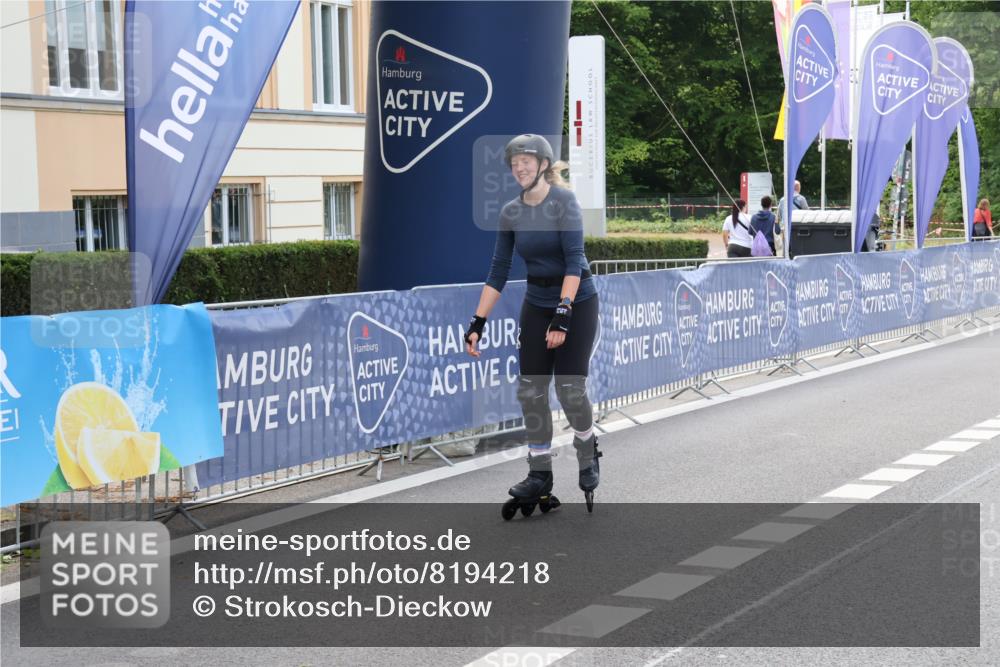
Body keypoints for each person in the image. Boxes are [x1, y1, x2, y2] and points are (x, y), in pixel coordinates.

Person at [464, 134, 601, 516]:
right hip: (537, 303)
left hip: (577, 299)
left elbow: (575, 261)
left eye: (526, 161)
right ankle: (539, 473)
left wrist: (564, 312)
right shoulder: (511, 212)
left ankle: (587, 448)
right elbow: (498, 271)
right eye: (514, 163)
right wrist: (478, 322)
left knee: (570, 389)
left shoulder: (564, 202)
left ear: (543, 164)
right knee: (532, 391)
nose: (519, 168)